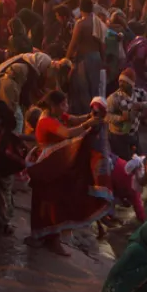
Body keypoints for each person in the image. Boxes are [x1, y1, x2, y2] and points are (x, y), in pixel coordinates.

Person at [27, 91, 111, 256]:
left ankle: (50, 238)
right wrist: (88, 124)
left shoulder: (56, 115)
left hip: (55, 165)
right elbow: (68, 133)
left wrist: (91, 115)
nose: (66, 107)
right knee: (49, 203)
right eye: (64, 104)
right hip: (48, 166)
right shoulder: (46, 121)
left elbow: (74, 119)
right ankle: (51, 240)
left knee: (53, 202)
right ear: (54, 106)